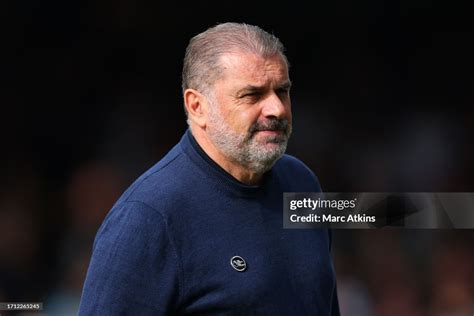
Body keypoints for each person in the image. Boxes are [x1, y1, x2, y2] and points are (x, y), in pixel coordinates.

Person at [79, 22, 340, 315]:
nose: (277, 108)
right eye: (252, 95)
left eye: (282, 91)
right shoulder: (148, 217)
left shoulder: (301, 183)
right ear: (197, 106)